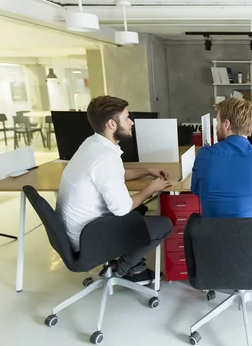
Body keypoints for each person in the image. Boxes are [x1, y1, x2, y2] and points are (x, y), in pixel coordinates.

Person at [56, 96, 173, 284]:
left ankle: (132, 265)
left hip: (77, 231)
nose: (131, 122)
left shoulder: (92, 144)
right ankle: (123, 268)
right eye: (126, 118)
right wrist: (151, 188)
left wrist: (147, 171)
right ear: (111, 124)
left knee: (140, 210)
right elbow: (122, 208)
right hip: (90, 238)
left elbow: (114, 174)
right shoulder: (105, 157)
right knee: (164, 224)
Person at [191, 97, 252, 220]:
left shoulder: (204, 155)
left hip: (211, 236)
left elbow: (195, 190)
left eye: (217, 122)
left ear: (226, 124)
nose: (216, 127)